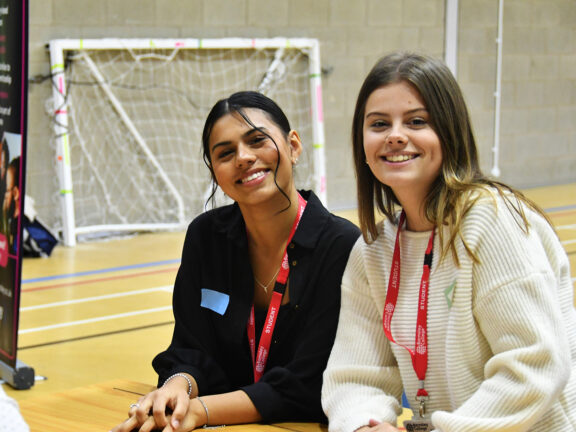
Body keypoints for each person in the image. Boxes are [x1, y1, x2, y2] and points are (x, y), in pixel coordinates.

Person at [321, 51, 576, 432]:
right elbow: (354, 376)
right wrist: (363, 425)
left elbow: (533, 365)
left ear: (449, 131)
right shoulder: (372, 250)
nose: (394, 135)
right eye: (378, 124)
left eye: (416, 121)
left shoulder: (494, 220)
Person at [111, 91, 360, 432]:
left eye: (257, 141)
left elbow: (308, 383)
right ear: (216, 174)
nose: (243, 157)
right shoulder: (205, 237)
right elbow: (191, 348)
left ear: (294, 146)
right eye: (225, 153)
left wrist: (201, 411)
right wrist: (176, 387)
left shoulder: (341, 245)